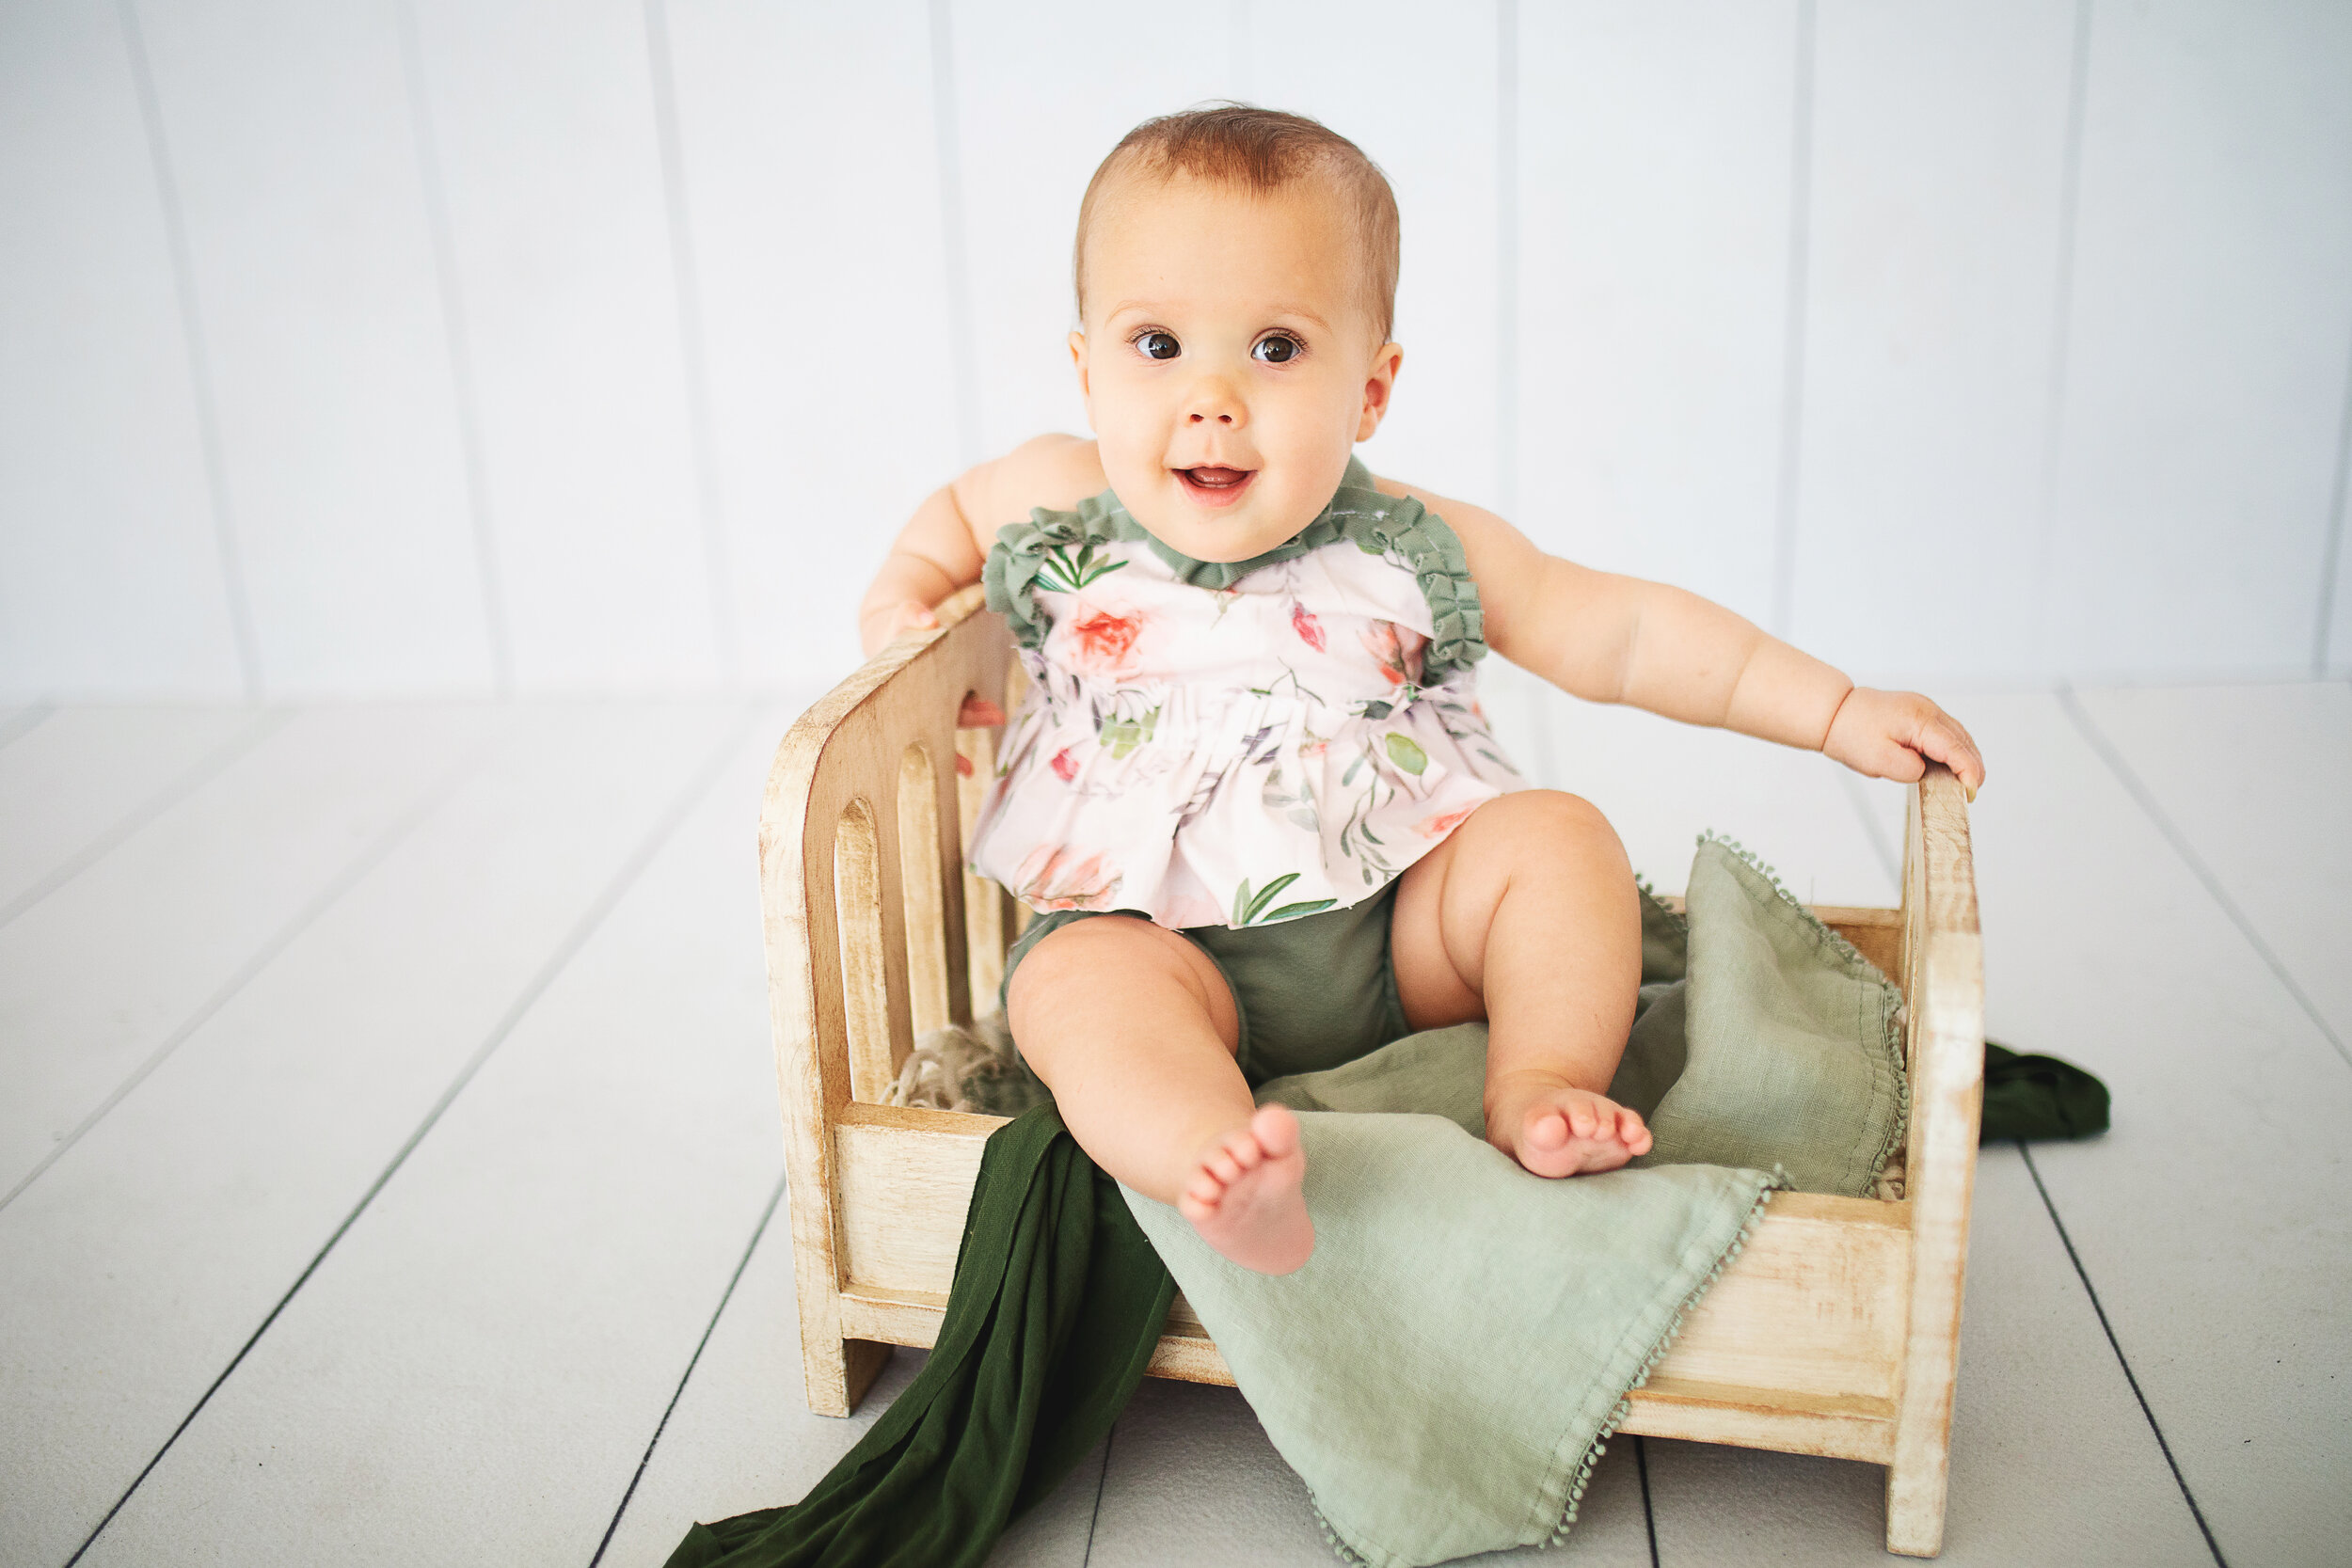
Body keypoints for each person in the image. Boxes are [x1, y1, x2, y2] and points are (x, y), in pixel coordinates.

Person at [856, 106, 1983, 1276]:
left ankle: (1538, 1080)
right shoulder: (1050, 501)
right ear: (1086, 368)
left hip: (1398, 932)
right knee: (1072, 987)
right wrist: (903, 599)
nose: (1212, 397)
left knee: (1557, 838)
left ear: (1371, 387)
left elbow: (1625, 632)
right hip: (1154, 937)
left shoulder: (1410, 544)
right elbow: (946, 521)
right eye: (1158, 344)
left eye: (1276, 348)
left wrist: (1835, 710)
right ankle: (1212, 1159)